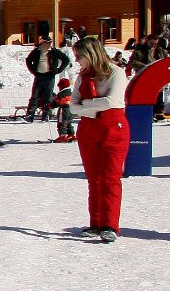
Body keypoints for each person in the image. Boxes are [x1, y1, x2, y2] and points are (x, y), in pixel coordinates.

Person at [70, 37, 129, 243]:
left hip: (113, 129)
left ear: (91, 54)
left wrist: (87, 105)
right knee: (93, 178)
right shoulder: (83, 77)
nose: (77, 60)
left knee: (110, 177)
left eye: (79, 56)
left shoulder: (116, 73)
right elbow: (73, 106)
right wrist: (96, 107)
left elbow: (112, 101)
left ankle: (109, 224)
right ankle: (95, 222)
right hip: (88, 130)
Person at [24, 37, 71, 122]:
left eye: (50, 42)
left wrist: (58, 70)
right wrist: (33, 70)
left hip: (50, 76)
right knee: (35, 95)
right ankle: (30, 114)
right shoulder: (37, 51)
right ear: (43, 43)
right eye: (47, 42)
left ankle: (45, 115)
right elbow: (28, 60)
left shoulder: (54, 51)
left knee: (48, 96)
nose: (49, 44)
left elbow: (66, 59)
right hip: (39, 76)